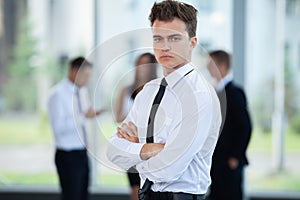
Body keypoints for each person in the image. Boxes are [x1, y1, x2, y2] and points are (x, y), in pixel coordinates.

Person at [107, 1, 222, 200]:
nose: (165, 46)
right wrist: (151, 149)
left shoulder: (199, 95)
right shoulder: (148, 92)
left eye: (175, 38)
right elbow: (112, 151)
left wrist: (134, 153)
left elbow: (169, 170)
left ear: (192, 42)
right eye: (158, 38)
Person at [48, 56, 104, 200]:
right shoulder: (58, 94)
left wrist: (90, 115)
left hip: (82, 153)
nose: (87, 79)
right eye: (85, 75)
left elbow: (84, 116)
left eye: (89, 76)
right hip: (68, 155)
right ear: (74, 71)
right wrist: (84, 116)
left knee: (83, 195)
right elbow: (59, 128)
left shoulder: (82, 92)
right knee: (72, 196)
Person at [207, 50, 252, 200]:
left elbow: (245, 127)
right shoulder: (216, 92)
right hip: (218, 159)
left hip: (228, 161)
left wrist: (235, 156)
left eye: (211, 63)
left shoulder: (234, 93)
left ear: (223, 65)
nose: (208, 67)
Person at [114, 52, 158, 200]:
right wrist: (133, 118)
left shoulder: (158, 90)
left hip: (151, 147)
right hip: (132, 148)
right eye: (139, 63)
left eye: (145, 64)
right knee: (135, 189)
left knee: (153, 189)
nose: (141, 68)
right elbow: (118, 117)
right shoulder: (126, 90)